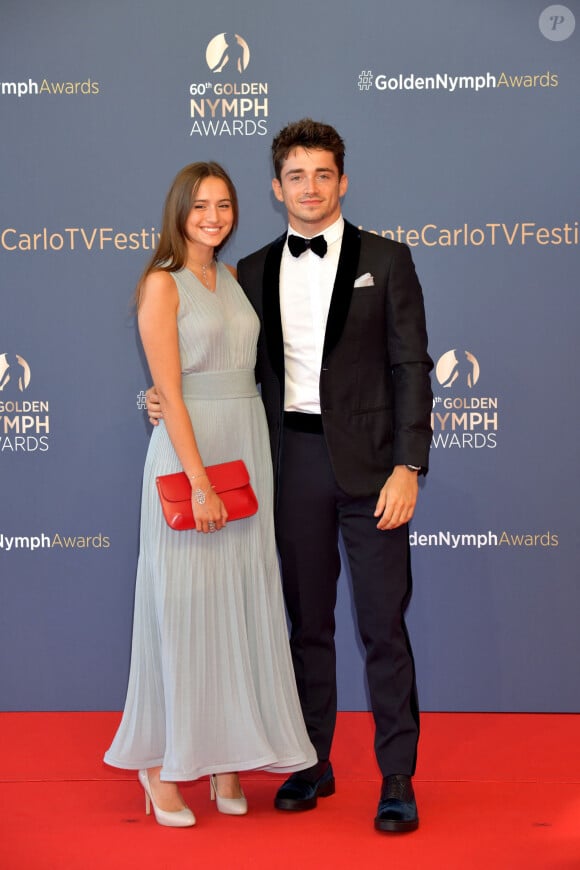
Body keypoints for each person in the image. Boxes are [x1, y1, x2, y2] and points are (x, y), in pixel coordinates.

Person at [148, 120, 433, 832]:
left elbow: (411, 369)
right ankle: (312, 762)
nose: (310, 188)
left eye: (323, 175)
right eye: (296, 177)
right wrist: (157, 396)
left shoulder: (390, 260)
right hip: (288, 465)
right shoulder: (249, 272)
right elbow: (210, 359)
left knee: (382, 628)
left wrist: (409, 464)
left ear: (342, 181)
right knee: (306, 627)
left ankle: (397, 777)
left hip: (375, 471)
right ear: (277, 190)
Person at [104, 161, 316, 828]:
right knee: (186, 609)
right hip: (191, 462)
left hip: (245, 447)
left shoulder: (231, 277)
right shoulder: (160, 285)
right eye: (200, 205)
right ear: (178, 211)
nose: (213, 216)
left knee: (237, 606)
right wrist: (198, 482)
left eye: (224, 204)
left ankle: (225, 759)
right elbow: (168, 390)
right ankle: (163, 767)